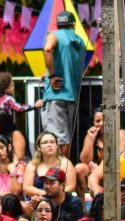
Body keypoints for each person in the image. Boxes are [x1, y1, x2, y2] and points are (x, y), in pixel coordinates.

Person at [42, 10, 87, 157]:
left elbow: (48, 48)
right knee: (65, 138)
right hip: (72, 95)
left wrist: (52, 75)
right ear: (73, 24)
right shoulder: (80, 41)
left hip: (57, 94)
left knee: (56, 139)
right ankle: (62, 172)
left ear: (58, 24)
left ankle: (58, 173)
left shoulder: (54, 35)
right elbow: (82, 68)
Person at [0, 72, 43, 162]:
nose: (13, 88)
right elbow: (19, 108)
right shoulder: (8, 98)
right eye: (12, 85)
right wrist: (34, 106)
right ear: (5, 87)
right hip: (6, 126)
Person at [22, 131, 77, 198]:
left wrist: (55, 195)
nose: (49, 145)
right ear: (39, 147)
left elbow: (71, 186)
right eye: (45, 142)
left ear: (57, 146)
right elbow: (26, 187)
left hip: (61, 201)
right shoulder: (33, 164)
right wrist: (45, 194)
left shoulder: (65, 163)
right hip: (38, 200)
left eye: (52, 142)